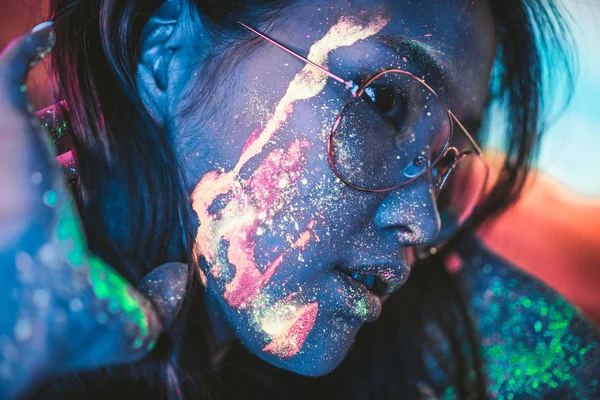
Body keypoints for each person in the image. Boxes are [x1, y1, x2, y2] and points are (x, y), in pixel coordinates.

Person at [0, 0, 598, 399]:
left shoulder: (467, 351)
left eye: (444, 162)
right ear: (165, 57)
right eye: (385, 103)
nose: (424, 222)